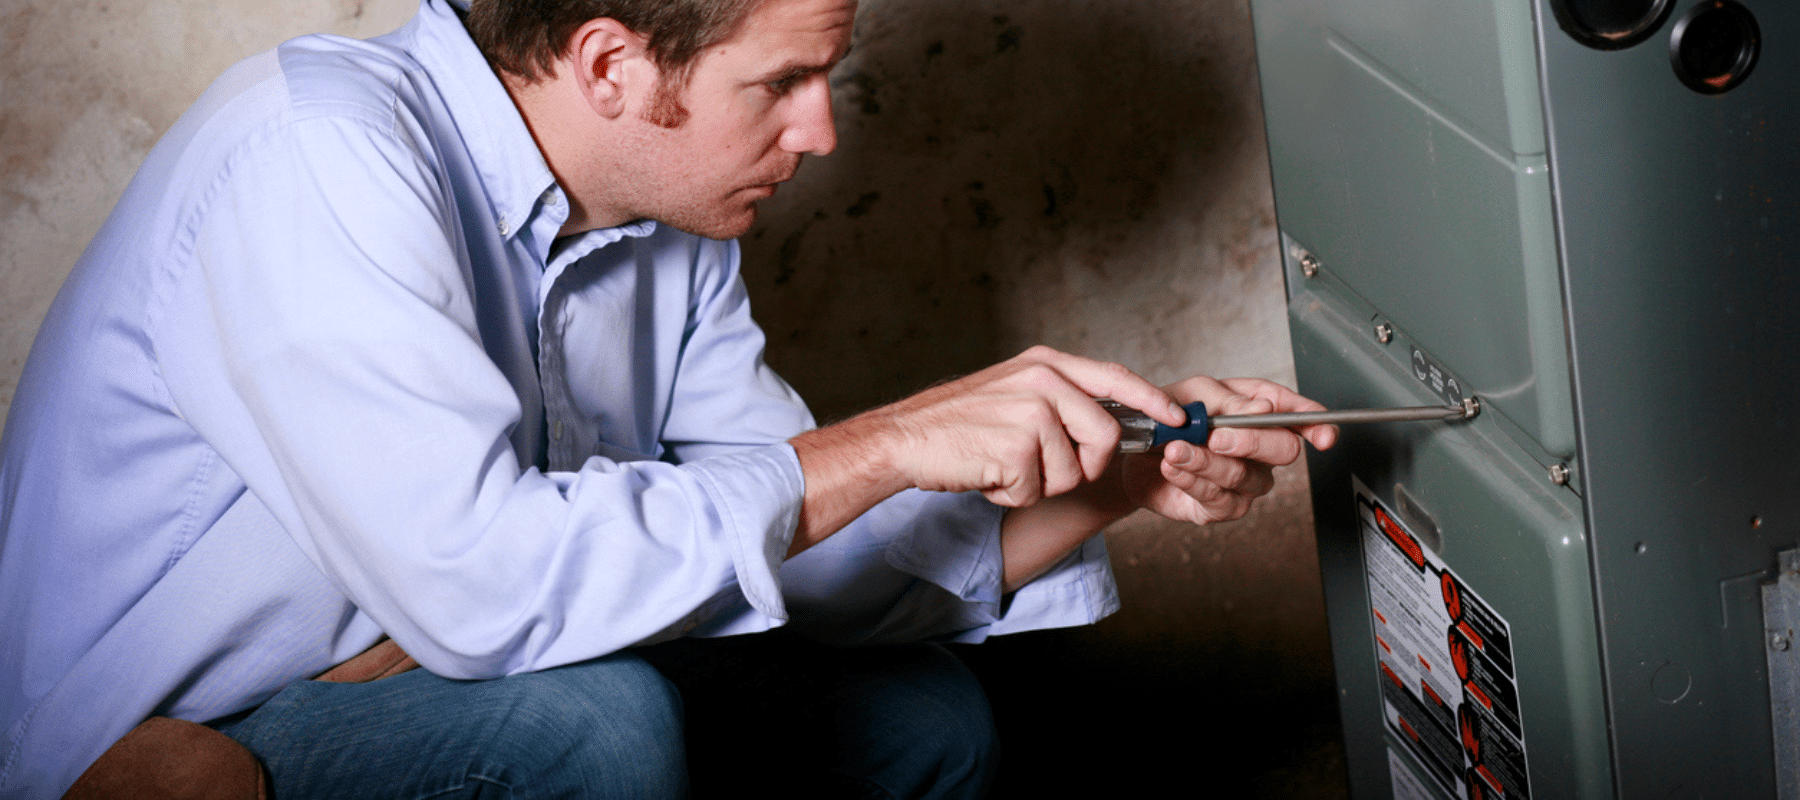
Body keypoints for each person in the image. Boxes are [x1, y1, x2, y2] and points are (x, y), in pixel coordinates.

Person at [0, 0, 1336, 796]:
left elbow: (789, 552)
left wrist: (1124, 477)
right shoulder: (317, 159)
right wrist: (887, 441)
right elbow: (492, 591)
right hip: (174, 734)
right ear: (609, 66)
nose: (818, 133)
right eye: (782, 84)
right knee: (596, 730)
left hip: (453, 653)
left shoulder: (668, 220)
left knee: (925, 725)